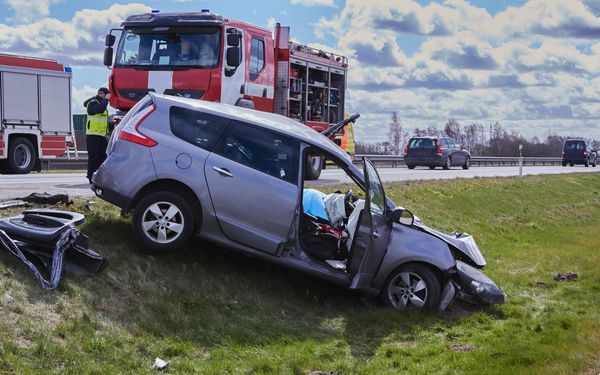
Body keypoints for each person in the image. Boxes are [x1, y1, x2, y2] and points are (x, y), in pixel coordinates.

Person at [83, 87, 111, 184]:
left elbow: (103, 121)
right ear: (101, 94)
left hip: (101, 136)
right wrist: (106, 99)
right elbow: (99, 110)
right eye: (106, 95)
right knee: (93, 157)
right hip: (92, 136)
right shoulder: (93, 103)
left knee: (103, 157)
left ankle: (98, 176)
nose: (108, 97)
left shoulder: (102, 105)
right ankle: (90, 176)